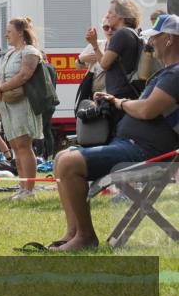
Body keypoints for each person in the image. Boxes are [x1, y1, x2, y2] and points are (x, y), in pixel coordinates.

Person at [53, 13, 179, 250]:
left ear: (169, 40)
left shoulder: (176, 74)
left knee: (69, 163)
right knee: (61, 157)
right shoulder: (167, 72)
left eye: (155, 38)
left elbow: (146, 110)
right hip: (132, 145)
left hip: (146, 152)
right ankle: (74, 232)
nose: (151, 43)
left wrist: (119, 103)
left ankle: (86, 237)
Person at [0, 18, 43, 200]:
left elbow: (24, 75)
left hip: (23, 105)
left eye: (9, 31)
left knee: (24, 145)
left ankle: (29, 190)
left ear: (20, 32)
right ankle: (22, 187)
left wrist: (1, 88)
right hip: (7, 105)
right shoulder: (9, 53)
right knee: (15, 146)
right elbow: (0, 76)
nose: (6, 35)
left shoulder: (30, 51)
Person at [85, 0, 143, 99]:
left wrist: (94, 45)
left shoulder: (121, 34)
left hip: (121, 93)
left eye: (110, 12)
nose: (107, 16)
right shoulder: (131, 33)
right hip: (128, 92)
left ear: (121, 16)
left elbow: (104, 64)